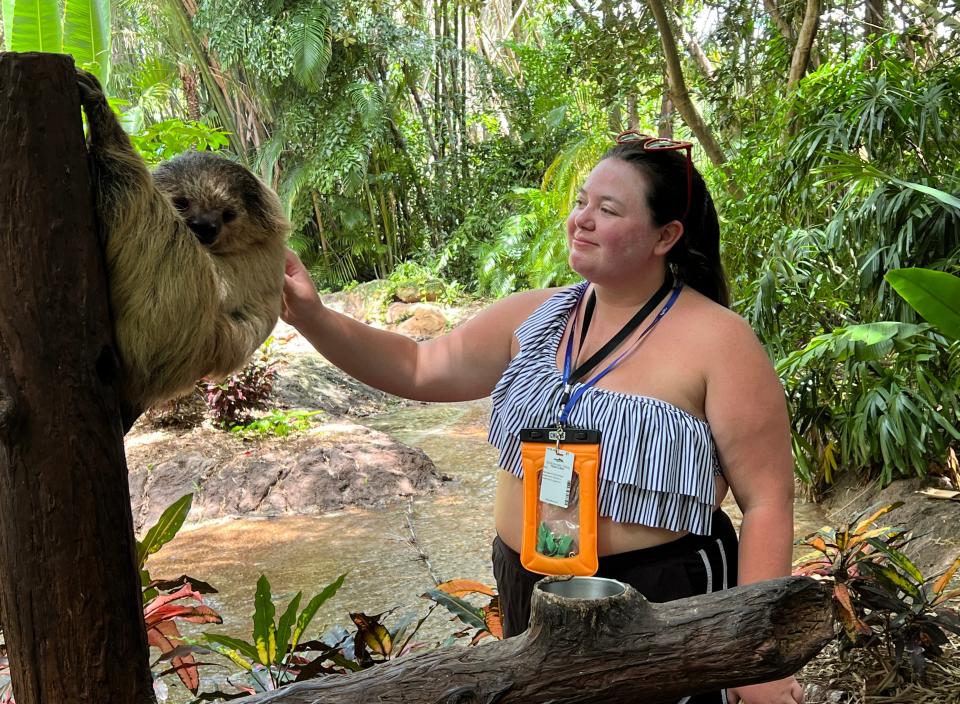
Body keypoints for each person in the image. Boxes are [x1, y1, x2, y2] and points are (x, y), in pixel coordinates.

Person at [280, 131, 803, 704]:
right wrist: (312, 316)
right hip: (528, 580)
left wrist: (760, 662)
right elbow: (418, 365)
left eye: (608, 209)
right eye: (582, 202)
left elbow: (767, 501)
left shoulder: (721, 342)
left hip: (660, 594)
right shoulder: (535, 315)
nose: (582, 219)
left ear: (666, 235)